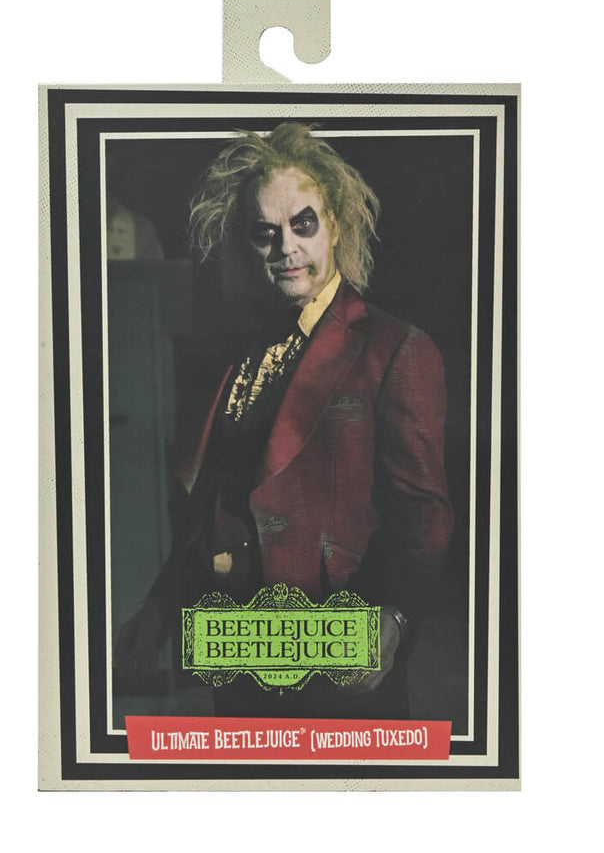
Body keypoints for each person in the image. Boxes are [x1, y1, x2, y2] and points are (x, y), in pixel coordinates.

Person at [117, 123, 453, 717]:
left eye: (303, 224)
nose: (286, 248)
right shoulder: (239, 353)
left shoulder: (395, 349)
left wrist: (395, 617)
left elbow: (423, 513)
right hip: (237, 669)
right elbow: (210, 508)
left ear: (336, 226)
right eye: (265, 232)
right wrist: (160, 609)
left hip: (339, 676)